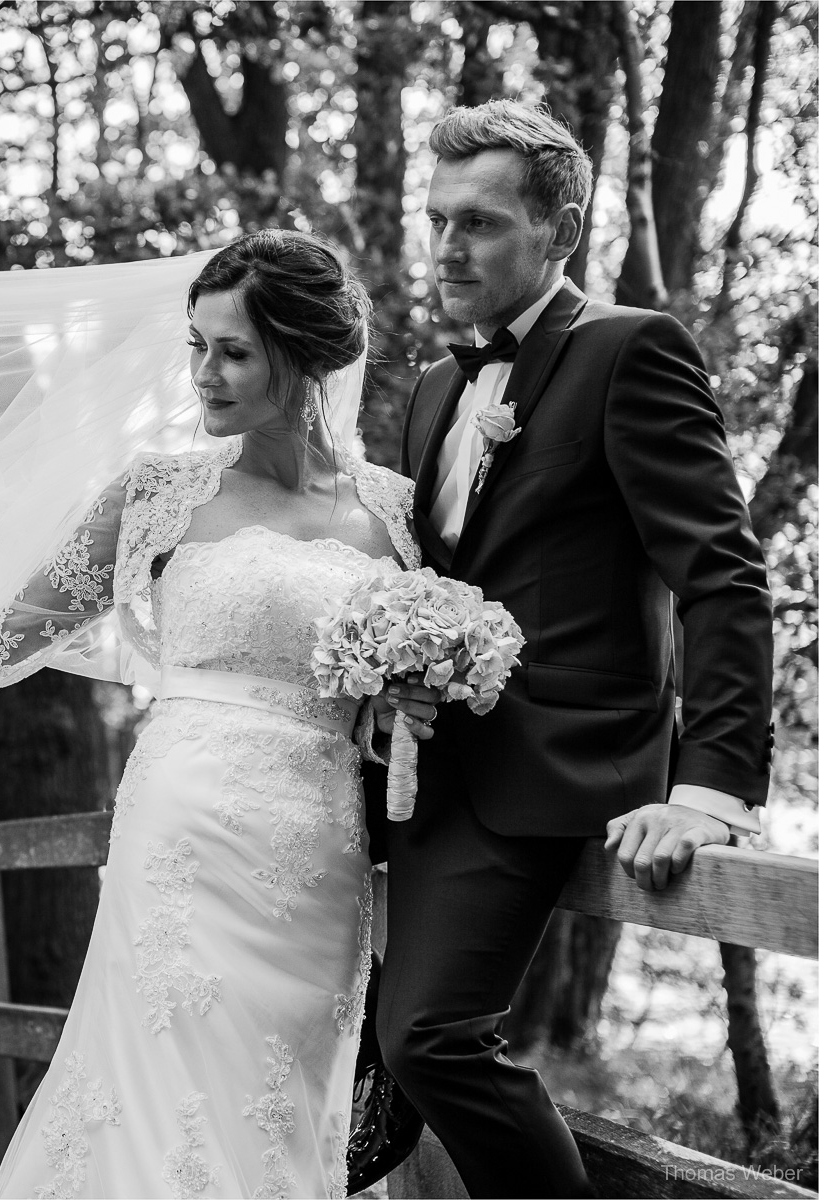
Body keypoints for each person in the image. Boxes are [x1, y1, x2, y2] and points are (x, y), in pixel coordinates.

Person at [0, 229, 430, 1198]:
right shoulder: (159, 494)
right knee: (160, 1089)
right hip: (186, 832)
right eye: (196, 345)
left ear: (307, 354)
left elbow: (413, 700)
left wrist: (414, 695)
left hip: (320, 851)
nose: (205, 373)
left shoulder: (393, 513)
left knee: (282, 1106)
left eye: (233, 351)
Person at [377, 101, 775, 1198]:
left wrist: (709, 790)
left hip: (559, 768)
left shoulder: (630, 351)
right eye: (437, 218)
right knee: (376, 1041)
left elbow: (722, 578)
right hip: (428, 778)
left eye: (482, 223)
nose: (448, 246)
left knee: (430, 1039)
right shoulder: (434, 387)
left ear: (557, 232)